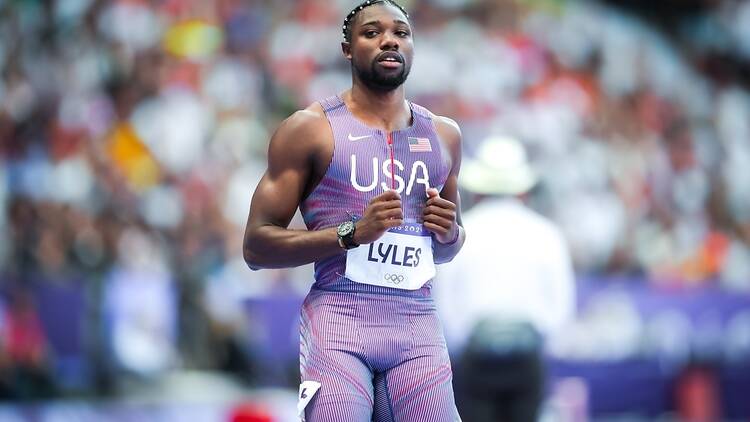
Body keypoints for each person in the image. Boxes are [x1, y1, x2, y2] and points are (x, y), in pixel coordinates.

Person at [242, 1, 465, 421]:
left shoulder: (444, 135)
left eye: (401, 32)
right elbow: (256, 247)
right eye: (372, 33)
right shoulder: (310, 129)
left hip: (417, 327)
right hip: (339, 323)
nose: (389, 41)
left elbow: (448, 246)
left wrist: (450, 233)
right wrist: (350, 233)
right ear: (347, 48)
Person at [434, 136, 576, 422]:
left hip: (476, 354)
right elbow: (561, 307)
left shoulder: (462, 233)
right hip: (526, 354)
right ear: (522, 190)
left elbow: (443, 304)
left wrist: (464, 343)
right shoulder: (546, 234)